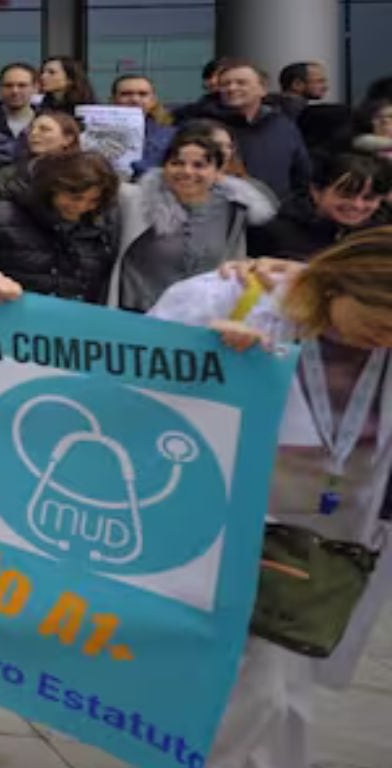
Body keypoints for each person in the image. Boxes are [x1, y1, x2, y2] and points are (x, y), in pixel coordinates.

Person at [147, 236, 392, 768]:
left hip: (327, 548)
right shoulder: (228, 296)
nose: (386, 337)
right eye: (382, 318)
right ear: (340, 285)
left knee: (279, 685)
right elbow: (131, 375)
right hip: (221, 525)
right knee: (257, 686)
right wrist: (206, 358)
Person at [109, 127, 270, 311]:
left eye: (199, 165)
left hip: (199, 318)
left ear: (218, 171)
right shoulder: (134, 201)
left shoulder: (235, 209)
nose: (187, 171)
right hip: (137, 317)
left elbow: (233, 264)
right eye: (177, 163)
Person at [0, 147, 120, 300]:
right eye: (74, 197)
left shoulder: (98, 231)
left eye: (93, 201)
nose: (81, 206)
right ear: (52, 188)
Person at [183, 59, 313, 198]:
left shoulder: (283, 125)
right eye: (225, 84)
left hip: (276, 214)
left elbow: (301, 176)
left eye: (241, 83)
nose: (232, 88)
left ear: (262, 89)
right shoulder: (199, 128)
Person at [255, 152, 392, 260]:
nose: (357, 205)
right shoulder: (275, 234)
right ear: (316, 191)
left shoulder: (381, 239)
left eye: (369, 198)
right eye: (346, 195)